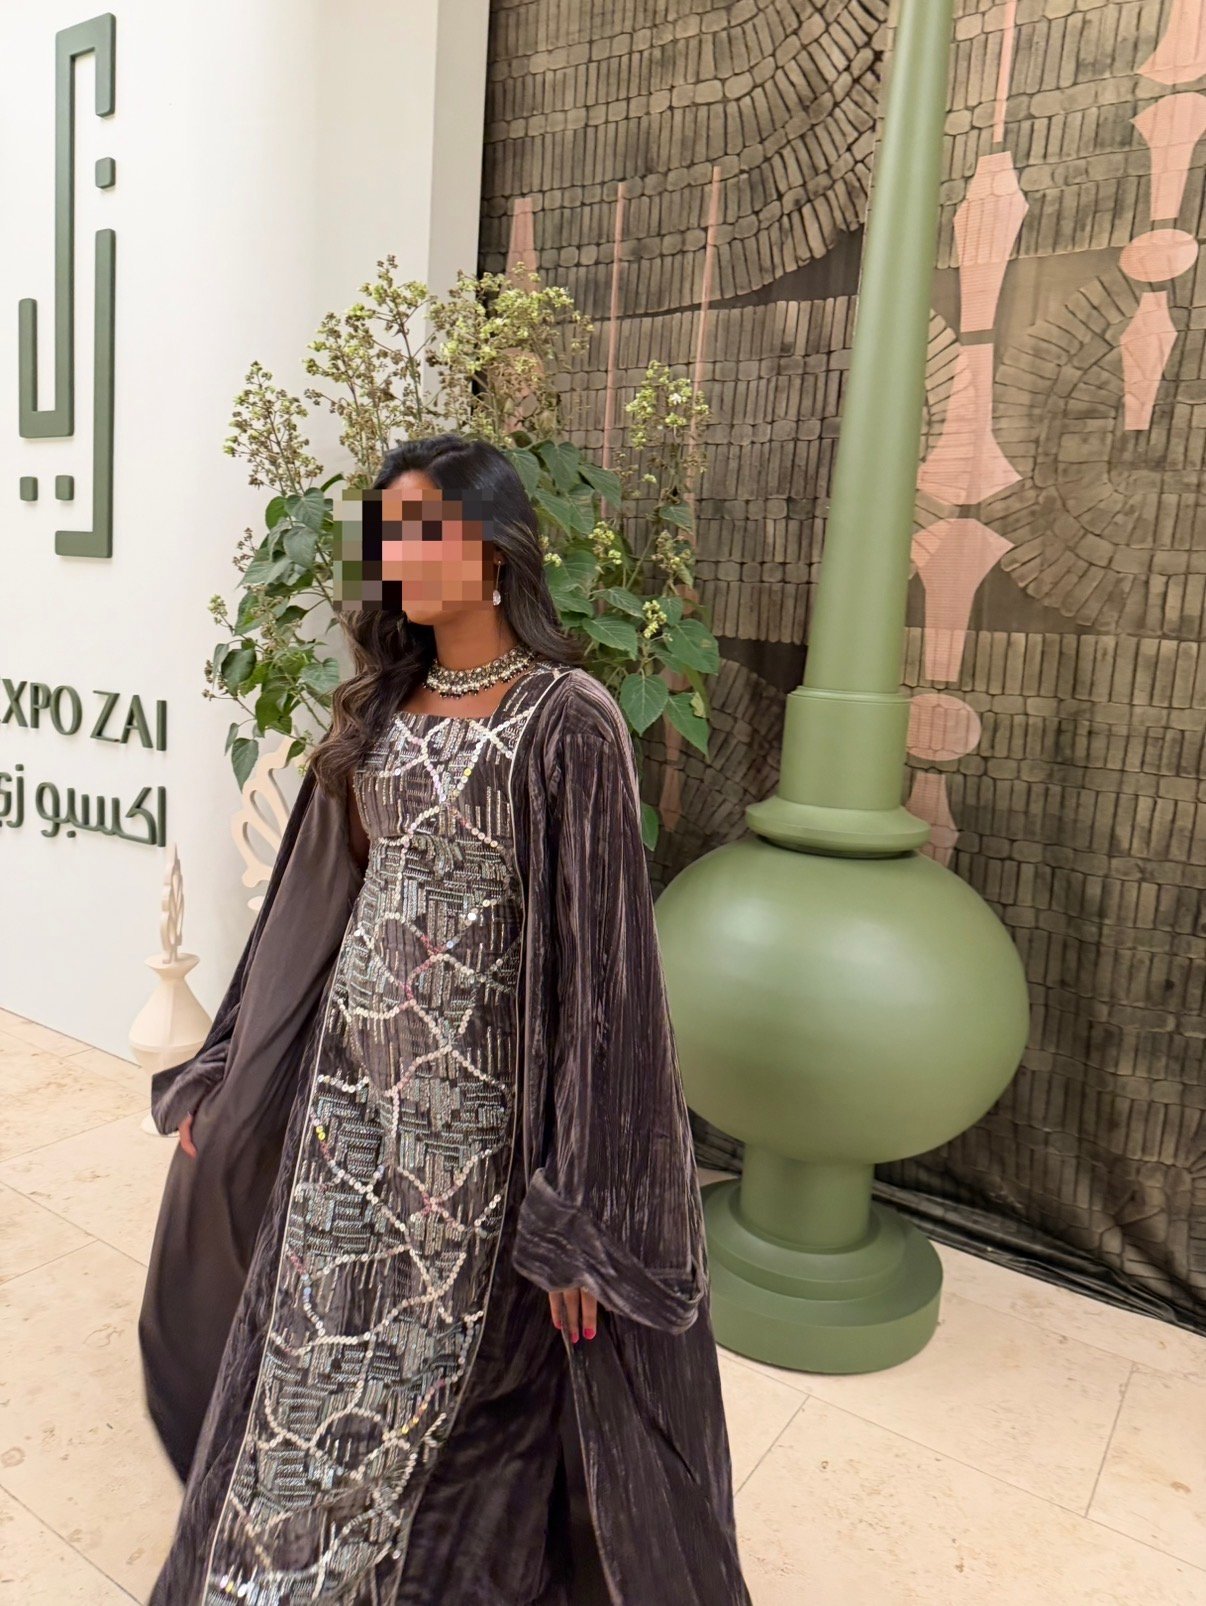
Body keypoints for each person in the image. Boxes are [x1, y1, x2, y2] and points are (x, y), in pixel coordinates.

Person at [138, 433, 751, 1604]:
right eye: (387, 537)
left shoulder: (566, 720)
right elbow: (304, 920)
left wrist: (583, 1213)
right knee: (312, 1363)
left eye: (422, 529)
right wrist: (231, 1069)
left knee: (433, 1394)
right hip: (344, 1124)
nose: (398, 557)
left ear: (495, 542)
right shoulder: (373, 711)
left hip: (470, 1150)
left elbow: (609, 983)